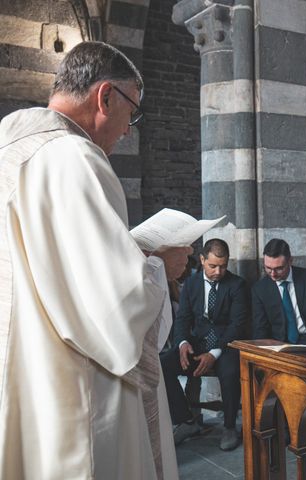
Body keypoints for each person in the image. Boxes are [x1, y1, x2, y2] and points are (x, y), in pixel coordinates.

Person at [0, 41, 193, 479]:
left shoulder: (9, 153)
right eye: (133, 112)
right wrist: (162, 266)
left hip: (24, 381)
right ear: (105, 96)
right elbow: (116, 309)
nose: (129, 129)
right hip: (74, 392)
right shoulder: (74, 158)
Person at [161, 239, 248, 450]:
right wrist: (182, 343)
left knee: (230, 371)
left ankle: (229, 426)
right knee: (162, 364)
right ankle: (186, 421)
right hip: (197, 345)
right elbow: (182, 318)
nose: (218, 271)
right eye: (213, 266)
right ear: (202, 260)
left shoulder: (237, 285)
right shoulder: (190, 284)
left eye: (223, 266)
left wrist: (214, 353)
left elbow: (237, 325)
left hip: (226, 346)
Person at [252, 238, 306, 345]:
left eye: (279, 268)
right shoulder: (259, 289)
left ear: (290, 261)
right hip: (277, 344)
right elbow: (260, 328)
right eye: (268, 268)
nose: (273, 274)